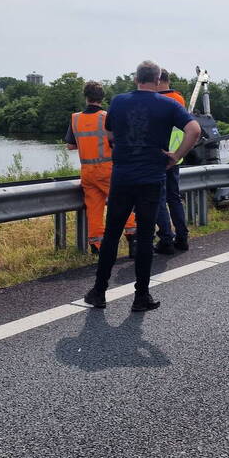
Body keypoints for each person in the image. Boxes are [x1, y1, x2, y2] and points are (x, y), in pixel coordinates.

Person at [83, 60, 202, 312]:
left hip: (122, 177)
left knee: (111, 234)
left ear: (136, 78)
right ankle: (141, 297)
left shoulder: (118, 102)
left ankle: (99, 292)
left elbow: (110, 134)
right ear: (158, 80)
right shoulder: (169, 104)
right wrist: (175, 156)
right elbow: (194, 130)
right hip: (151, 179)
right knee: (146, 237)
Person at [65, 81, 137, 256]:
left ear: (86, 97)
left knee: (94, 208)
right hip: (108, 170)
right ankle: (133, 238)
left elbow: (70, 145)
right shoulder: (107, 117)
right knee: (123, 203)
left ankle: (97, 245)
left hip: (87, 172)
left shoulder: (75, 118)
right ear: (102, 97)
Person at [153, 67, 189, 255]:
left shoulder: (156, 100)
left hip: (159, 156)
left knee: (159, 199)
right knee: (174, 197)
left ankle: (166, 239)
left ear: (157, 80)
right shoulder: (179, 99)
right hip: (176, 155)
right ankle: (182, 237)